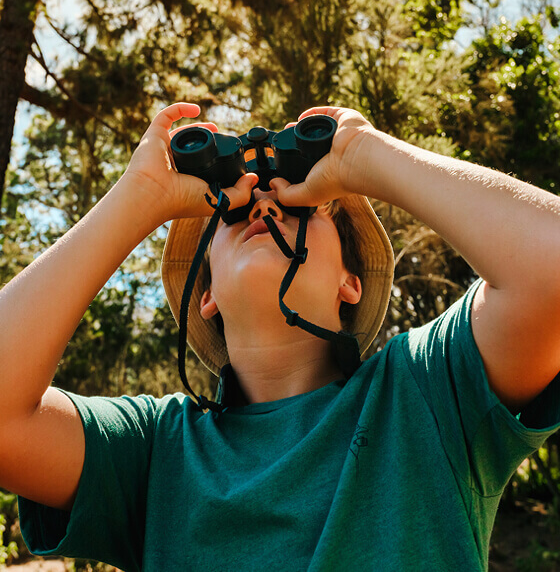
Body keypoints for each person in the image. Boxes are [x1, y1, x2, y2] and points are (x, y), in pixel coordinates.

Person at [0, 101, 559, 571]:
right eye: (235, 211)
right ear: (207, 294)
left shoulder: (427, 392)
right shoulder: (154, 449)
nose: (266, 206)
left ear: (350, 283)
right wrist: (139, 195)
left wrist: (364, 154)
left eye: (304, 205)